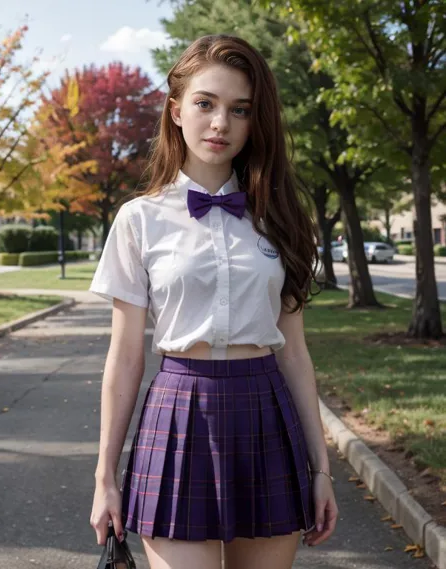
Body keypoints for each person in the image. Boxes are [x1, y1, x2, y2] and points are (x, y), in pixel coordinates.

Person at [89, 34, 338, 569]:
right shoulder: (139, 219)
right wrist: (104, 476)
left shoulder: (281, 219)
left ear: (254, 122)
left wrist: (322, 470)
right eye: (205, 104)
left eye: (239, 110)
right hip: (177, 415)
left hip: (266, 412)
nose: (220, 123)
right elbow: (126, 356)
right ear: (176, 112)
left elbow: (295, 353)